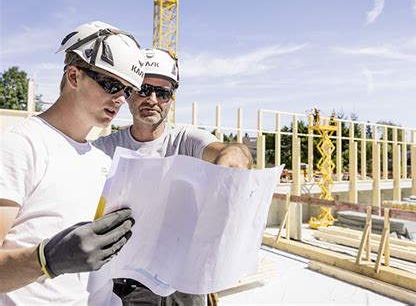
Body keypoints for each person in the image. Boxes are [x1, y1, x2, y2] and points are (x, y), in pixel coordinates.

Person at [0, 21, 146, 305]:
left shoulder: (101, 160)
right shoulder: (21, 146)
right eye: (111, 84)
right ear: (74, 76)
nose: (119, 99)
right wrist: (47, 260)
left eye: (127, 91)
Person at [93, 48, 253, 305]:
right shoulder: (106, 149)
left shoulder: (186, 140)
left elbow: (226, 150)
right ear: (129, 93)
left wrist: (233, 158)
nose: (152, 99)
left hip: (185, 283)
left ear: (172, 99)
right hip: (129, 285)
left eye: (163, 93)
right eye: (143, 89)